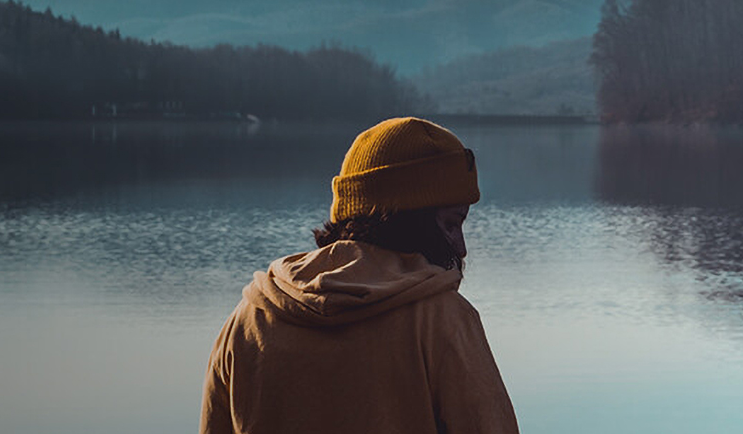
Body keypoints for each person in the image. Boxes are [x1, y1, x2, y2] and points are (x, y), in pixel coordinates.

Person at [201, 117, 518, 434]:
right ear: (411, 220)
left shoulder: (249, 318)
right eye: (451, 224)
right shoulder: (442, 320)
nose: (461, 248)